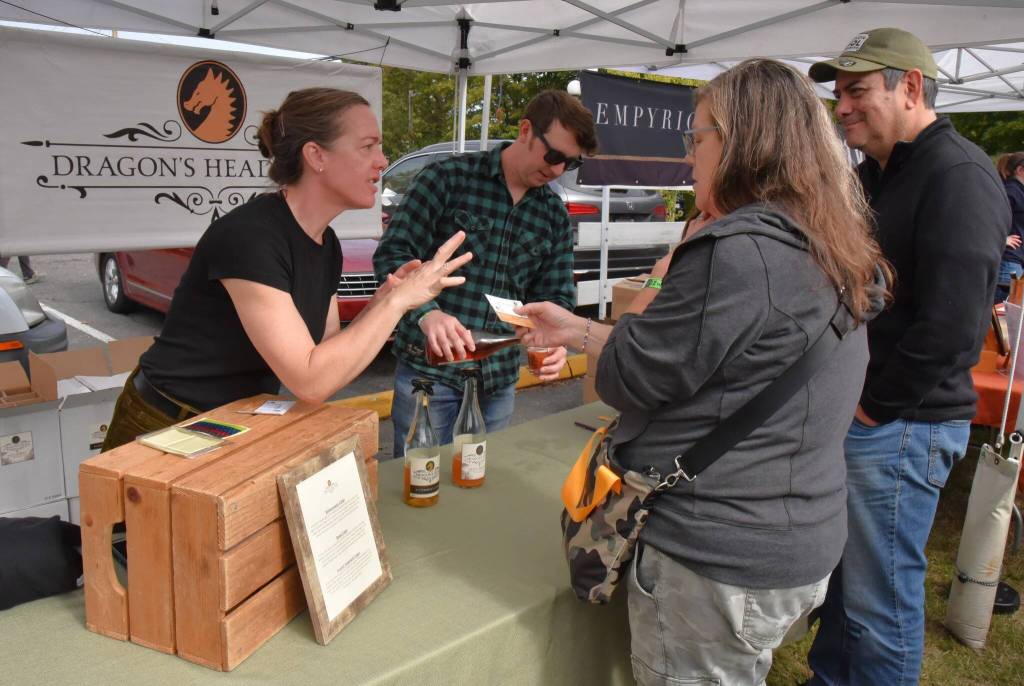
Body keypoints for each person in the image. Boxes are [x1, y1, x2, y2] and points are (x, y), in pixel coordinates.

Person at [519, 59, 888, 684]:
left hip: (719, 553)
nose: (691, 159)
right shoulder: (825, 238)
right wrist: (580, 329)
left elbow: (632, 376)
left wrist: (641, 304)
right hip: (794, 532)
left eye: (697, 138)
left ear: (742, 141)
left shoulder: (739, 251)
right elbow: (715, 362)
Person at [804, 28, 1010, 685]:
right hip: (871, 419)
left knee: (880, 602)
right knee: (848, 584)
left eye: (857, 91)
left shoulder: (960, 176)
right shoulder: (876, 174)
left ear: (911, 86)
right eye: (839, 95)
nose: (842, 108)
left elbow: (953, 328)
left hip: (903, 426)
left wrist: (870, 410)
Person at [102, 88, 472, 451]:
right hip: (163, 425)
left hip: (230, 425)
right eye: (367, 146)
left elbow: (326, 353)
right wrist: (397, 304)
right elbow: (310, 381)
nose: (382, 160)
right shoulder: (251, 236)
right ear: (316, 155)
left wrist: (384, 302)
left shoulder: (325, 243)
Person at [373, 90, 597, 456]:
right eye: (553, 155)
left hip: (498, 383)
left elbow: (555, 296)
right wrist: (428, 315)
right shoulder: (447, 179)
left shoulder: (552, 213)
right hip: (429, 376)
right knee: (418, 490)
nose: (557, 170)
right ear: (526, 130)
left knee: (477, 496)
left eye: (570, 164)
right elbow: (392, 256)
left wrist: (554, 341)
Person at [996, 151, 1024, 302]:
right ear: (1020, 170)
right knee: (1005, 313)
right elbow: (990, 218)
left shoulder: (1018, 192)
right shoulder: (1011, 192)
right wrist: (1002, 239)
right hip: (1009, 262)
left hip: (1016, 261)